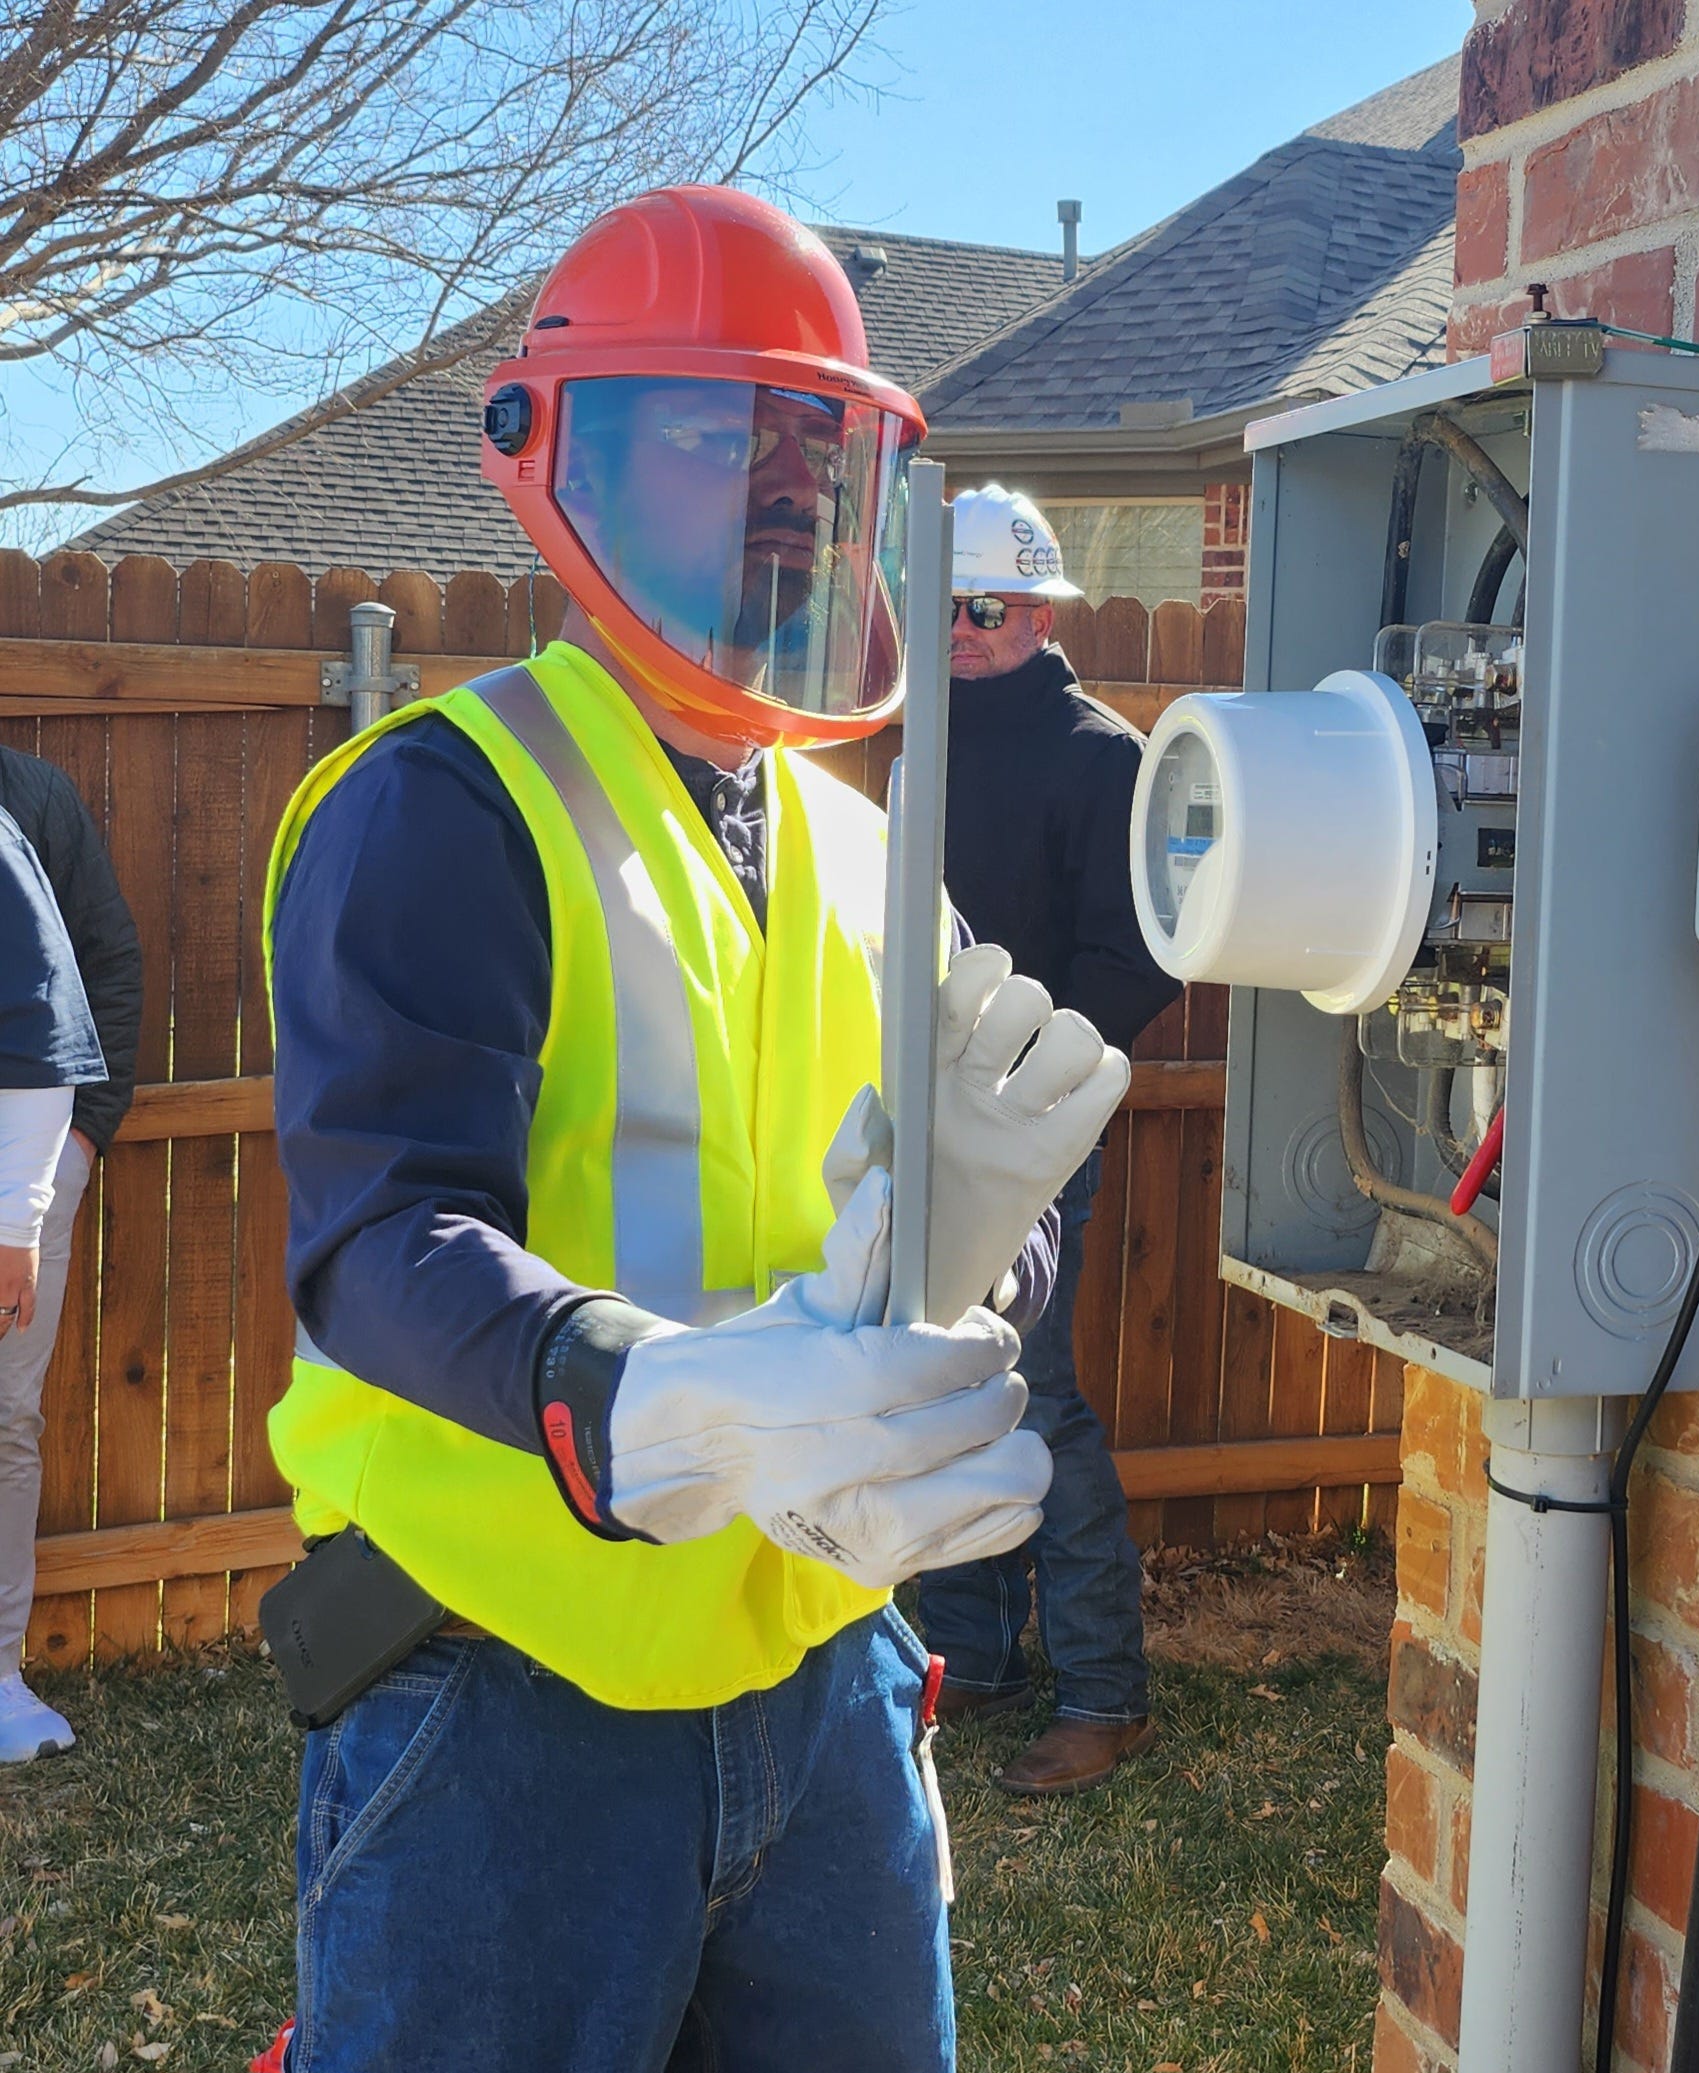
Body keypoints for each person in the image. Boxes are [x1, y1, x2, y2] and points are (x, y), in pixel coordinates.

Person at [258, 187, 1127, 2071]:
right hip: (498, 1695)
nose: (783, 496)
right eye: (716, 439)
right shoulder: (445, 803)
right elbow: (376, 1240)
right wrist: (639, 1397)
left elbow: (980, 1163)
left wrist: (968, 1273)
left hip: (822, 1674)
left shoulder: (866, 845)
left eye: (812, 448)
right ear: (561, 463)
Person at [917, 485, 1182, 1797]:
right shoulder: (919, 742)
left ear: (1037, 613)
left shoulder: (1100, 758)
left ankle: (1102, 1694)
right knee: (942, 1379)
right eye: (941, 607)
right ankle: (970, 1657)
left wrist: (1027, 1084)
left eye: (983, 608)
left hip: (1032, 1130)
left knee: (1045, 1398)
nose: (959, 630)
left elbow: (1138, 959)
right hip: (922, 1107)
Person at [0, 773, 121, 1764]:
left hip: (20, 1173)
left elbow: (91, 975)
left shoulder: (27, 806)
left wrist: (73, 1150)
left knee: (5, 1420)